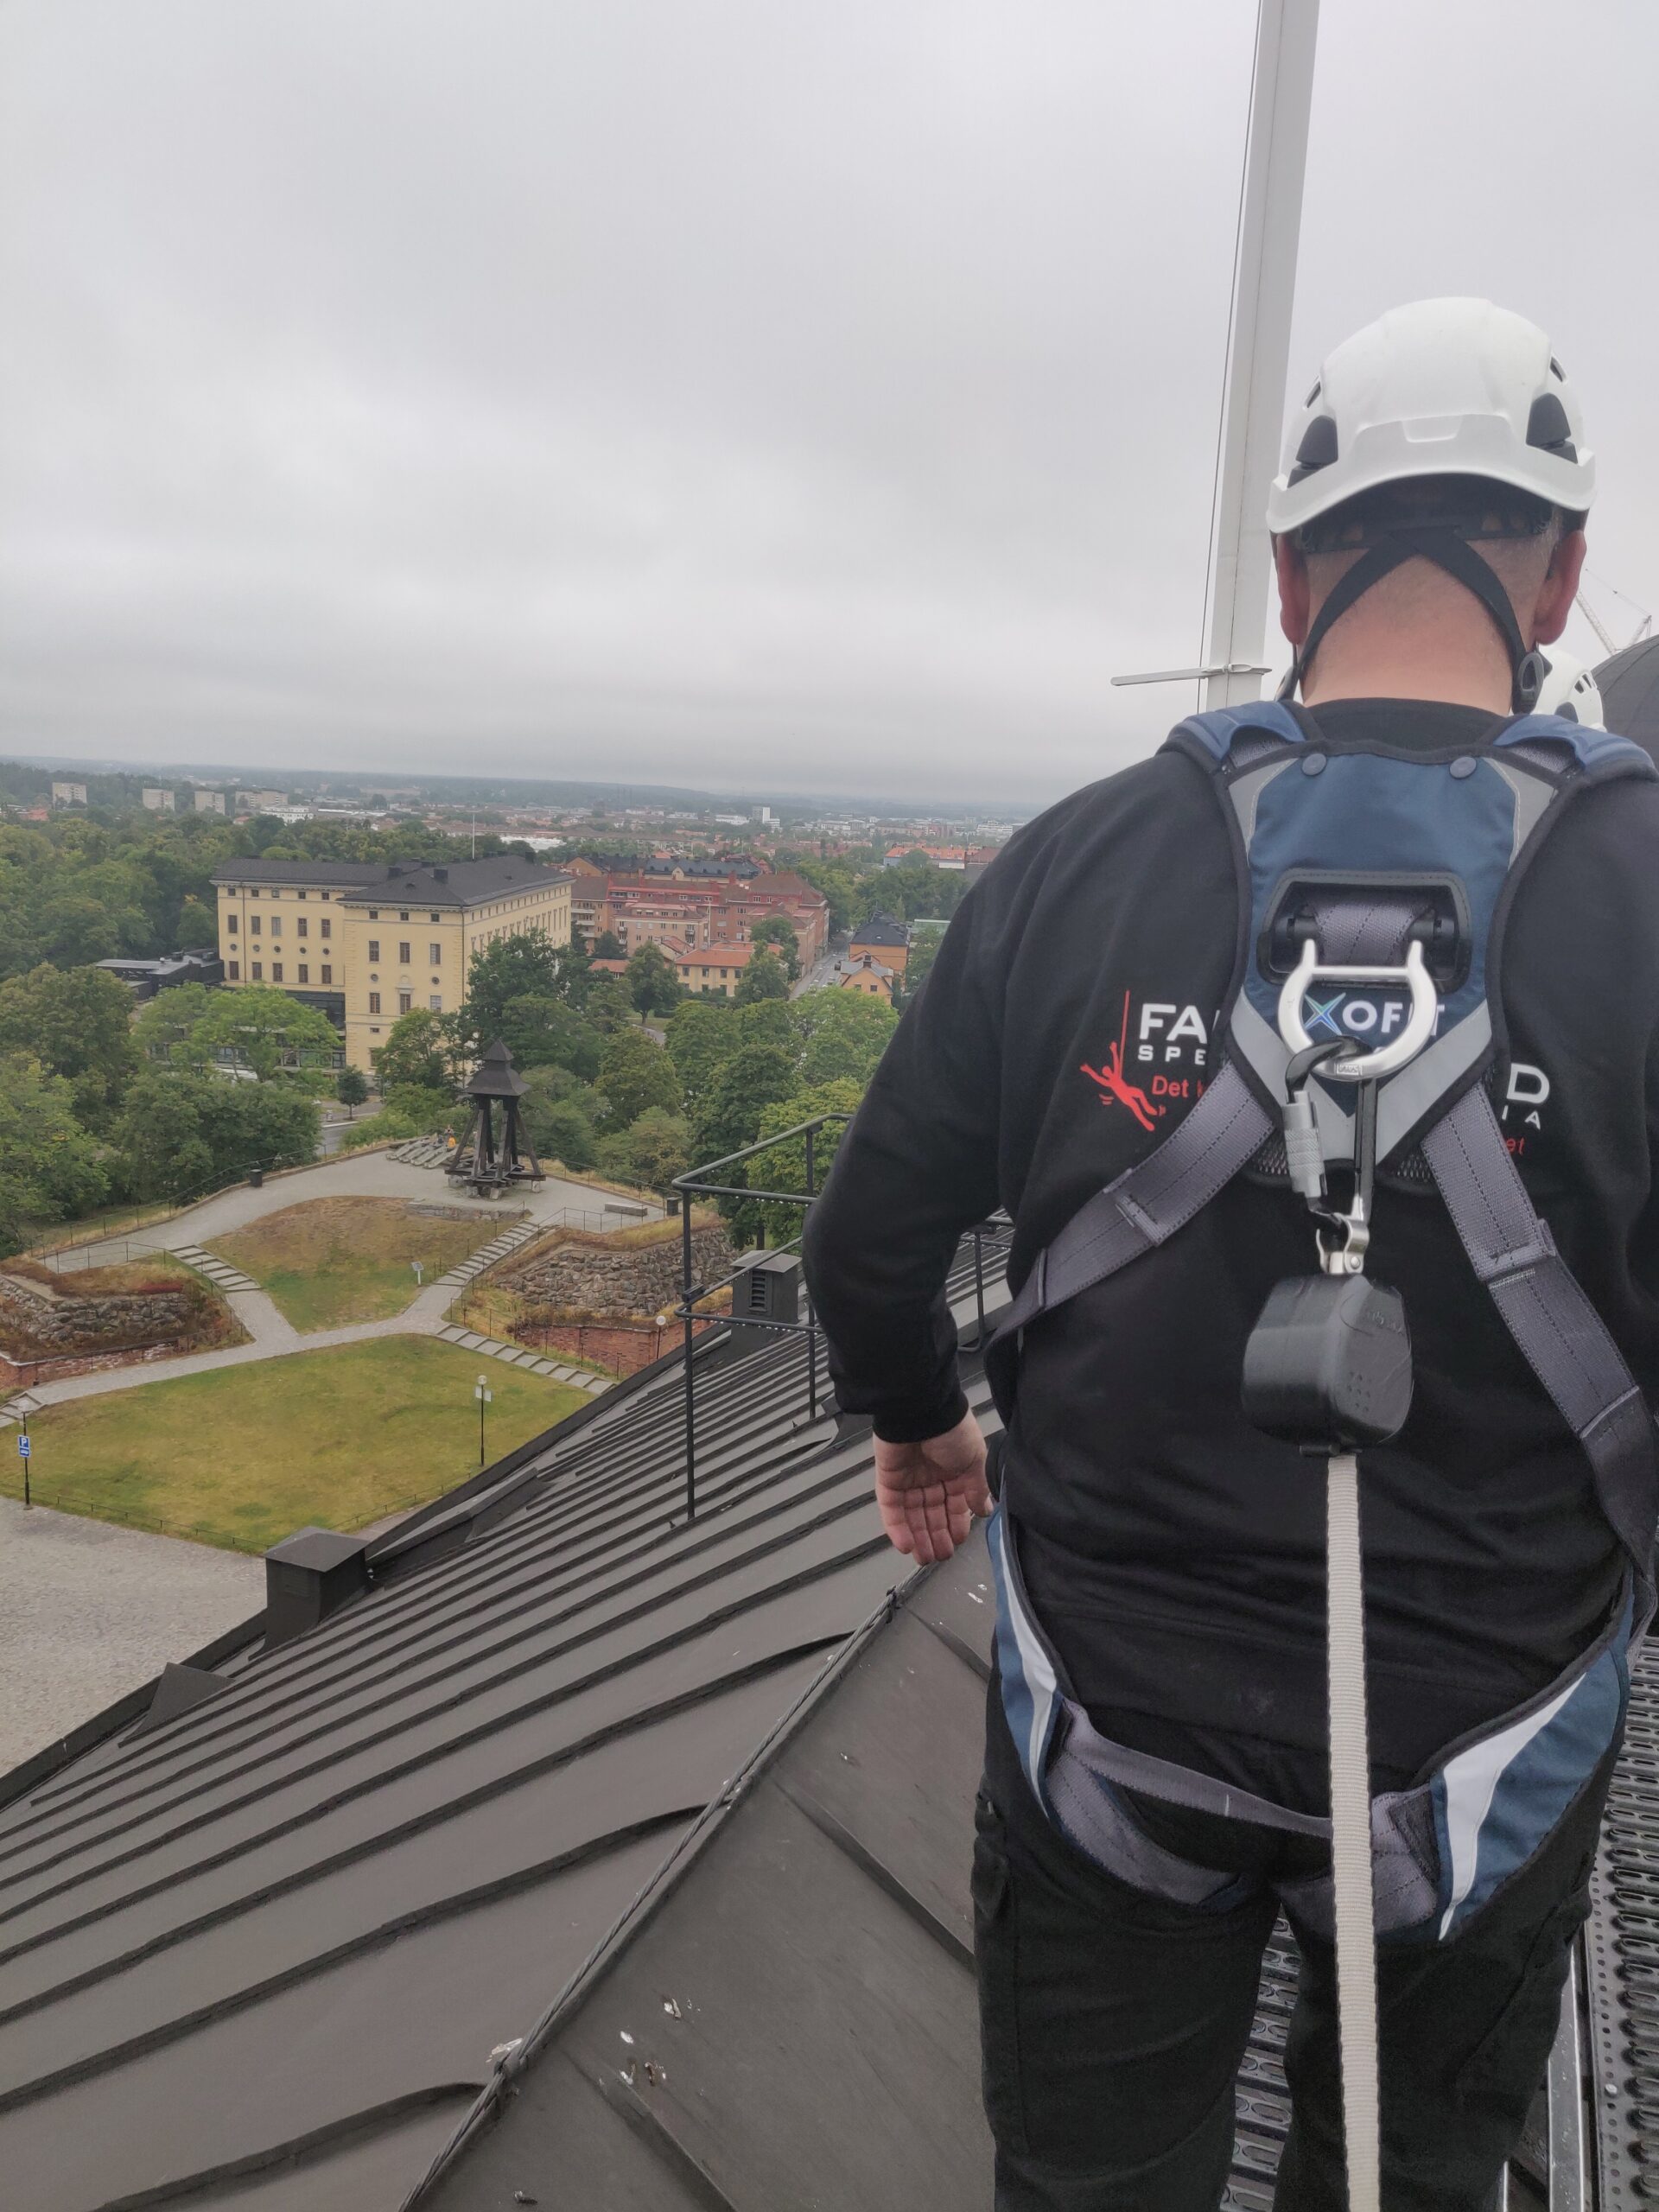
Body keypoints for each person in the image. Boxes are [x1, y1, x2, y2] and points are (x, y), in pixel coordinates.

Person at [802, 298, 1659, 2210]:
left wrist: (925, 1426)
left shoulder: (1084, 858)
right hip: (1486, 1741)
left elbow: (870, 1247)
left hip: (1114, 1719)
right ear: (1568, 566)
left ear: (1290, 574)